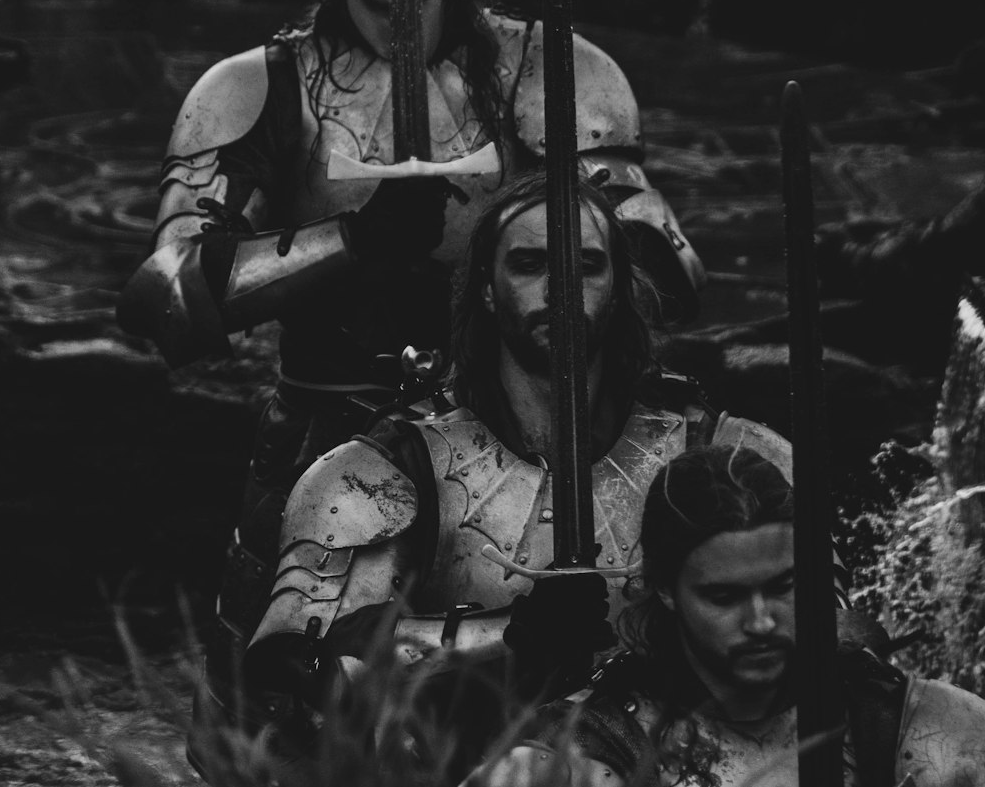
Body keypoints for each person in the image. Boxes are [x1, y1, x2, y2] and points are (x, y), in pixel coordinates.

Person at [115, 0, 705, 723]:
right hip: (327, 429)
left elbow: (664, 265)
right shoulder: (254, 90)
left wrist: (582, 230)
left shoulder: (549, 72)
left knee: (561, 701)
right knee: (289, 718)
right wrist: (353, 241)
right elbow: (165, 297)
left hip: (515, 427)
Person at [242, 172, 789, 727]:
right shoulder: (381, 474)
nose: (561, 290)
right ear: (485, 286)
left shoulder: (725, 450)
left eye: (588, 267)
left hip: (676, 779)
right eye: (530, 266)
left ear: (619, 285)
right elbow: (296, 663)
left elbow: (836, 634)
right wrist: (507, 636)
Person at [480, 444, 985, 787]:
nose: (761, 622)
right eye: (725, 597)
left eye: (784, 586)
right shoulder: (590, 754)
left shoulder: (889, 719)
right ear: (666, 590)